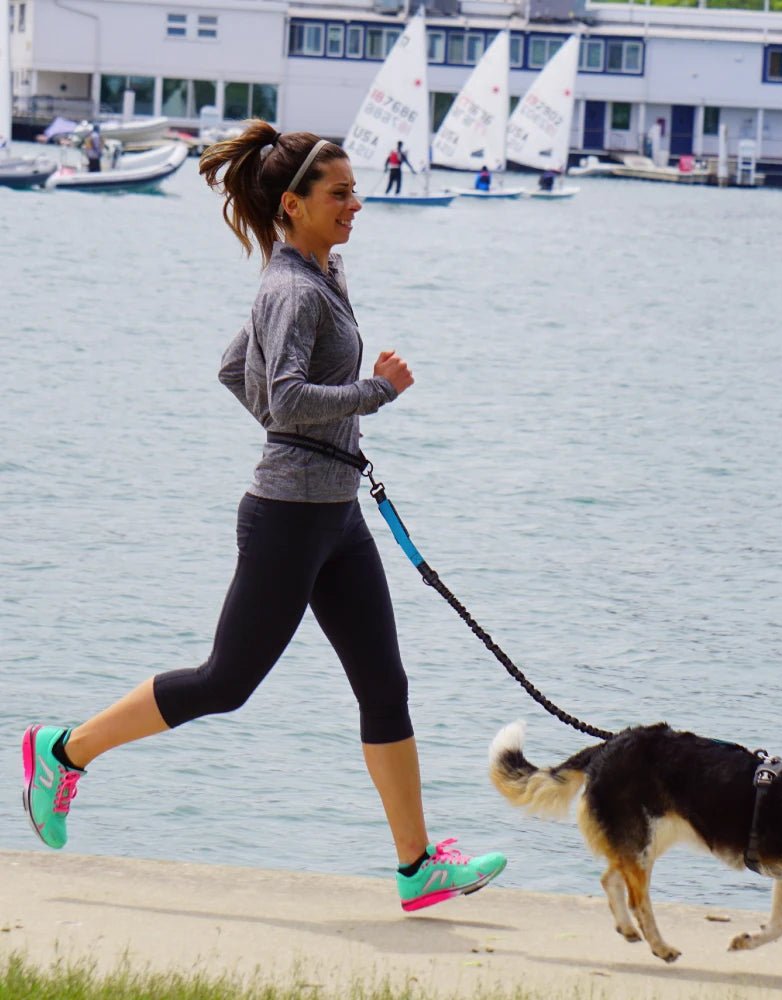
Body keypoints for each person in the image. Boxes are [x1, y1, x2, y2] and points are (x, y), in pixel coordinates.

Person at [21, 120, 507, 914]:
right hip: (286, 517)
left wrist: (320, 443)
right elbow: (282, 397)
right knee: (226, 682)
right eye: (340, 193)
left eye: (354, 191)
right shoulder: (289, 289)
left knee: (385, 686)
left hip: (335, 515)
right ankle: (62, 751)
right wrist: (371, 396)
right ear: (295, 203)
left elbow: (231, 369)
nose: (357, 204)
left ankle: (417, 868)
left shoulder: (321, 274)